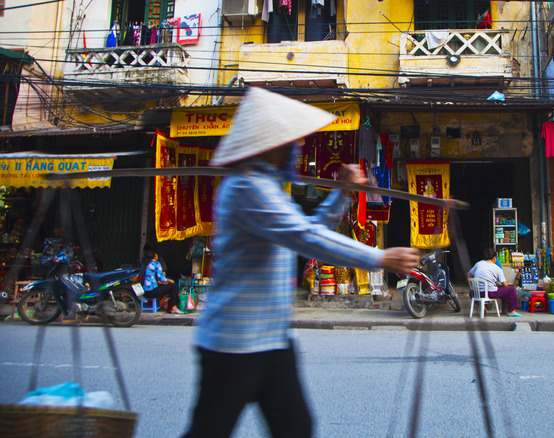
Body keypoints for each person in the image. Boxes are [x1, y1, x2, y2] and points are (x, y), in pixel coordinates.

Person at [182, 88, 420, 438]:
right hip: (232, 343)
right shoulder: (247, 188)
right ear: (270, 144)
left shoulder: (270, 188)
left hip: (271, 341)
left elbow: (306, 231)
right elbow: (306, 238)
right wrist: (379, 257)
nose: (296, 149)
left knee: (296, 428)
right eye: (289, 142)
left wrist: (340, 195)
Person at [468, 248, 522, 317]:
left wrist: (473, 283)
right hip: (490, 293)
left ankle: (482, 307)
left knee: (472, 292)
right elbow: (505, 285)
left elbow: (469, 274)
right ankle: (511, 311)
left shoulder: (478, 264)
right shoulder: (496, 268)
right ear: (494, 258)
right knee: (511, 289)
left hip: (475, 293)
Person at [141, 248, 183, 314]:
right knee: (174, 286)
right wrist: (169, 280)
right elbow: (161, 278)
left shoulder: (146, 264)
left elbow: (153, 280)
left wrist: (166, 282)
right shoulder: (156, 264)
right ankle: (174, 307)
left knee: (168, 287)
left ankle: (169, 306)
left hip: (145, 292)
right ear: (155, 255)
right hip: (152, 291)